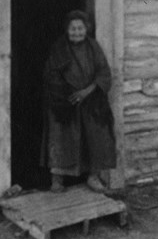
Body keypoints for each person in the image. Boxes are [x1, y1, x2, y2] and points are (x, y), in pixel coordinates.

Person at [42, 10, 116, 193]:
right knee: (61, 138)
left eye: (80, 28)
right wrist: (68, 94)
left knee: (96, 137)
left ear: (87, 29)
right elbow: (51, 74)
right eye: (73, 29)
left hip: (90, 100)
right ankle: (57, 180)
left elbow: (104, 73)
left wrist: (87, 91)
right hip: (65, 101)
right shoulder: (58, 48)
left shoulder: (93, 47)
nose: (77, 32)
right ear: (67, 30)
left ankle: (93, 176)